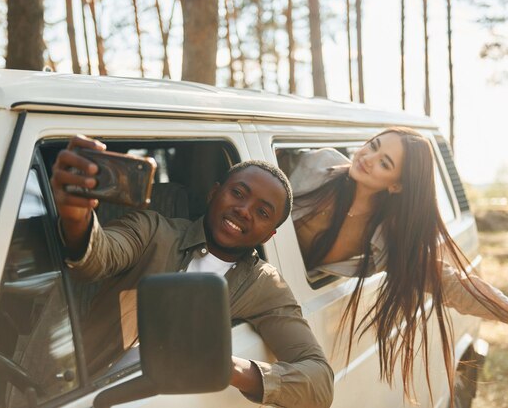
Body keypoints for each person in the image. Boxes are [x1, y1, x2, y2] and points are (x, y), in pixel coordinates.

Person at [50, 135, 334, 408]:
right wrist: (77, 216)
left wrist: (228, 367)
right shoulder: (152, 231)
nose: (244, 211)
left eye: (262, 212)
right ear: (214, 193)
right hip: (78, 390)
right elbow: (97, 257)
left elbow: (320, 383)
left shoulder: (263, 284)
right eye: (237, 193)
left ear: (268, 237)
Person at [286, 127, 508, 401]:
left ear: (396, 185)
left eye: (384, 162)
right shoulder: (315, 165)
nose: (367, 157)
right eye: (373, 145)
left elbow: (457, 287)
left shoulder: (387, 243)